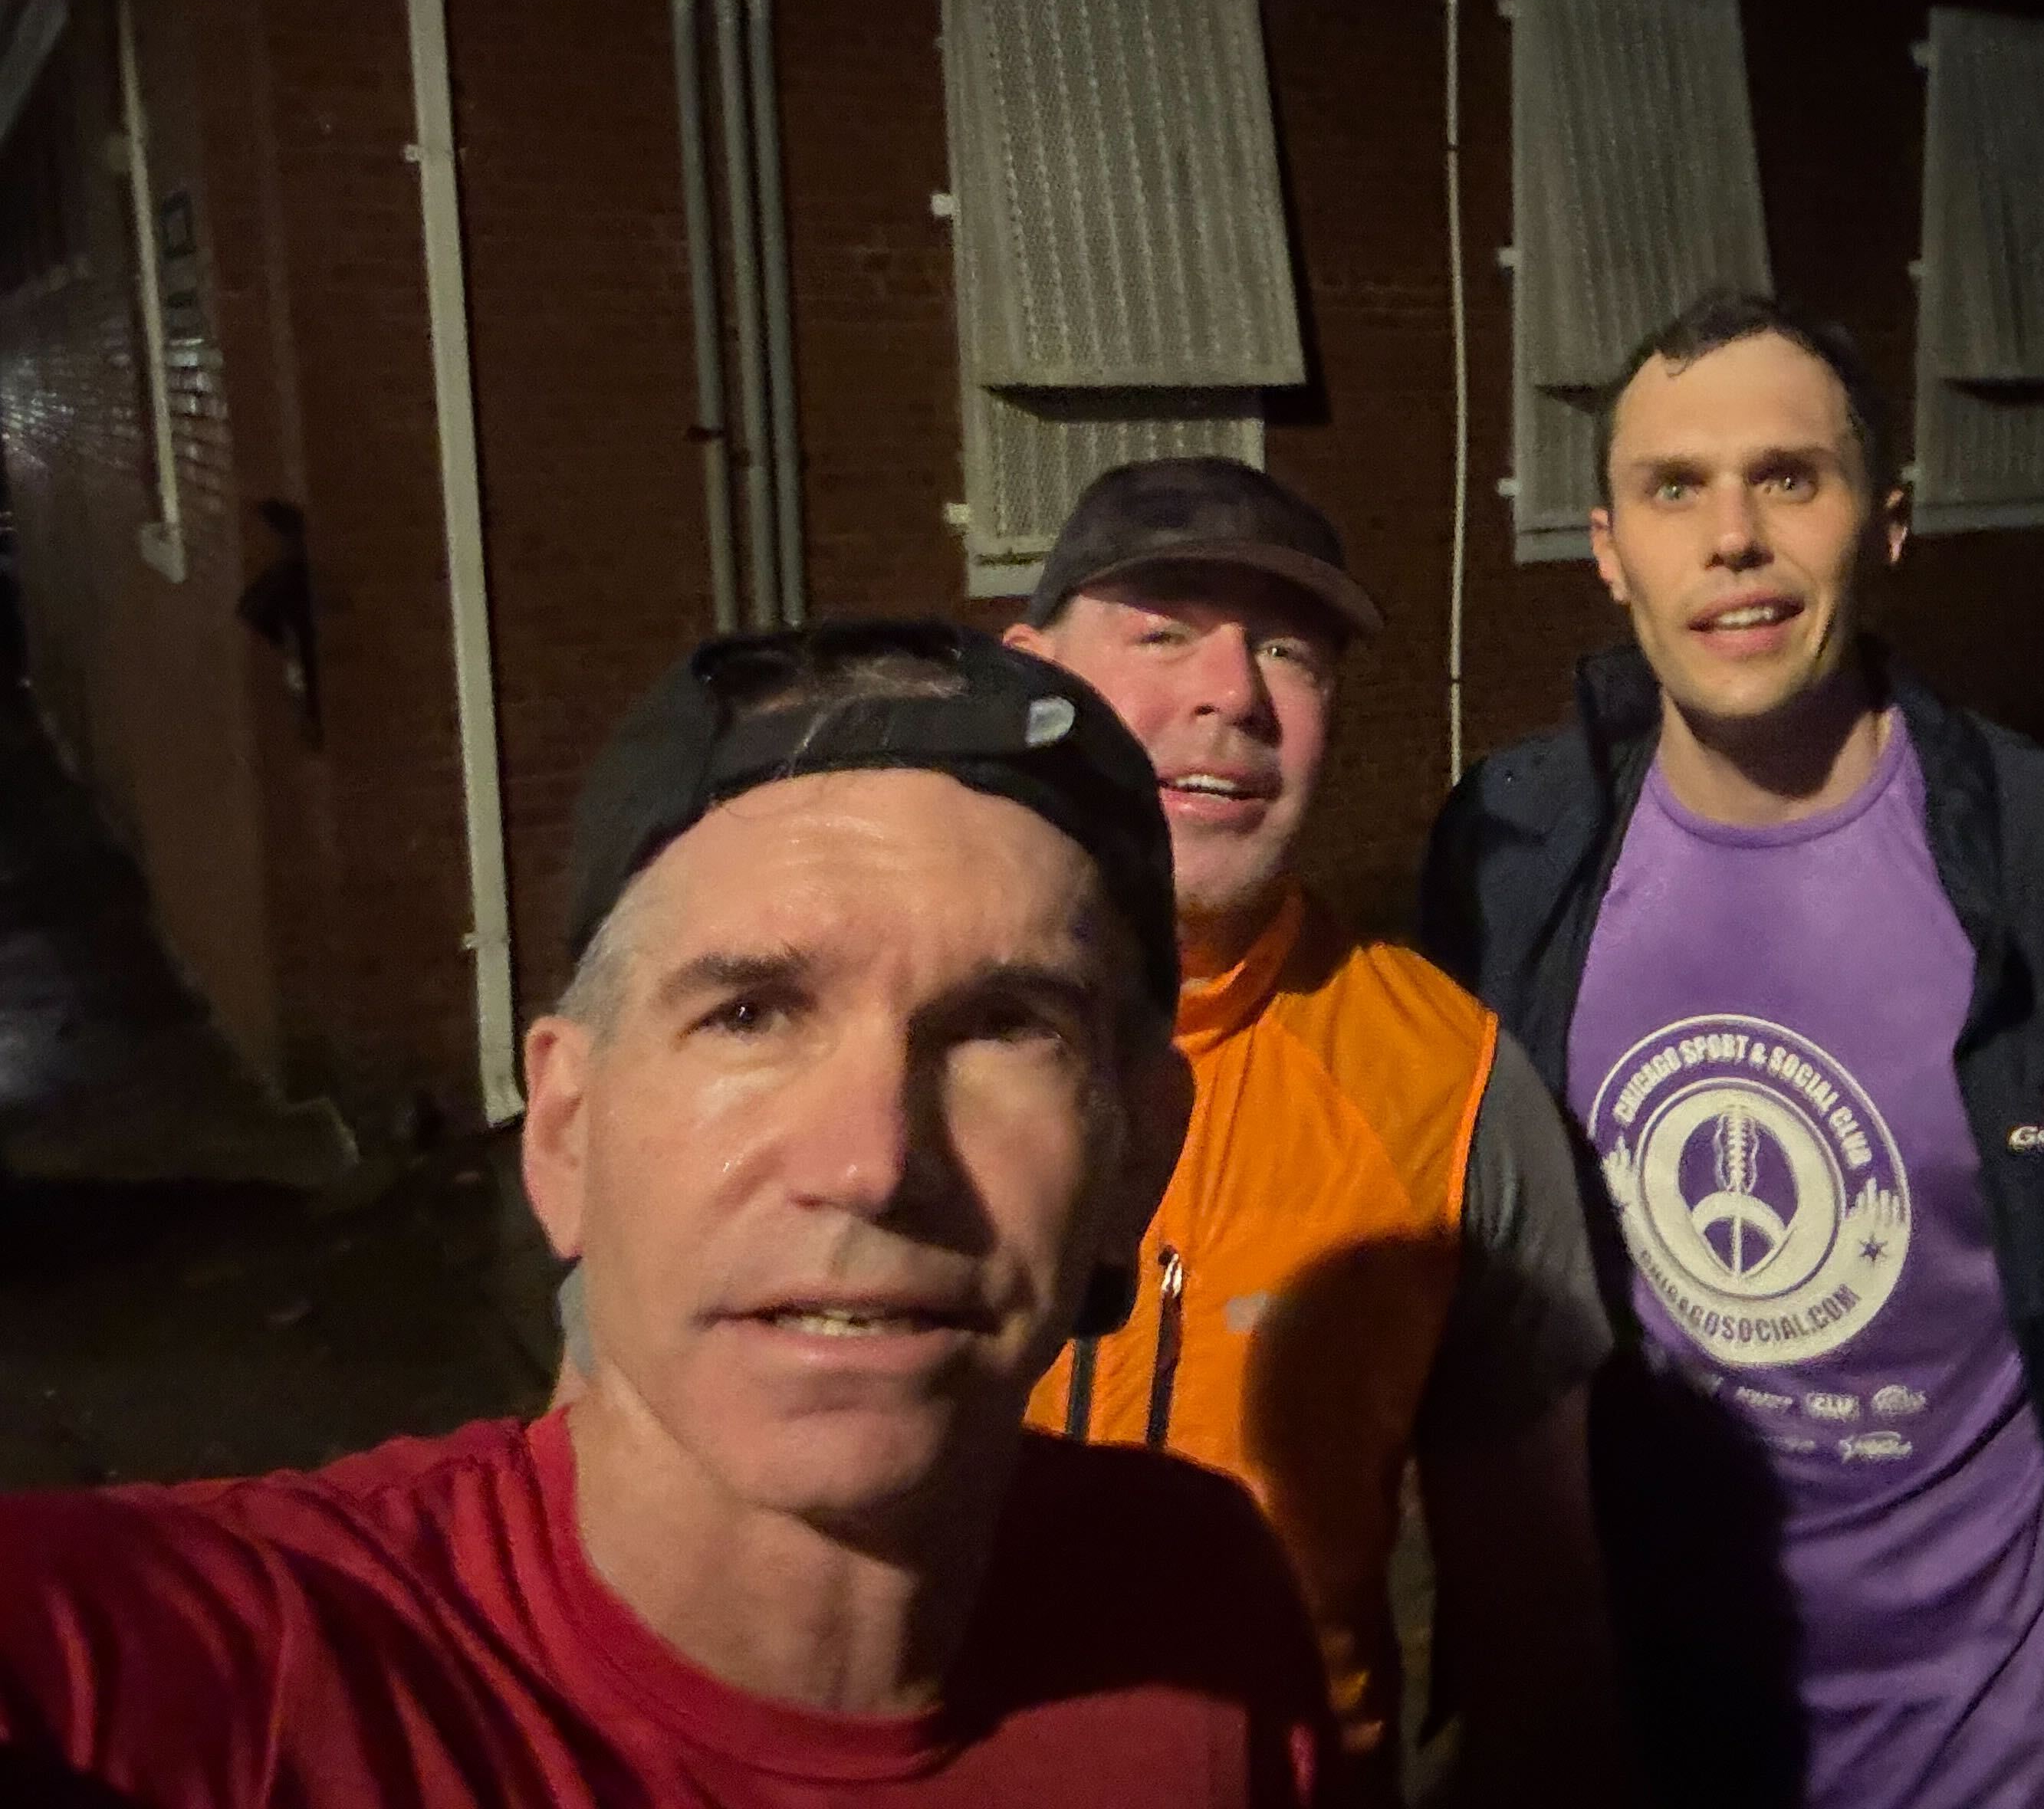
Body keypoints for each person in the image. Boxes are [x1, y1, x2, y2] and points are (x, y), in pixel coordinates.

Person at [0, 622, 1330, 1806]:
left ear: (1141, 1156)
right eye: (748, 1014)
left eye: (1004, 1026)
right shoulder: (234, 1677)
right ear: (565, 1133)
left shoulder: (1200, 1603)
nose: (872, 1163)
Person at [1421, 294, 2044, 1809]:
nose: (1733, 537)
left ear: (1889, 524)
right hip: (1648, 1735)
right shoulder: (1510, 856)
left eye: (1789, 478)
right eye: (1676, 487)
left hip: (2004, 1753)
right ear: (1609, 550)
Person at [1000, 457, 1621, 1809]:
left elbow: (1540, 1631)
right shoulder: (869, 1033)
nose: (1233, 693)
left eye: (1289, 651)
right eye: (1164, 630)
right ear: (1033, 676)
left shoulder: (1447, 1084)